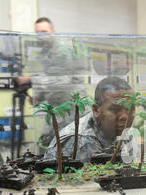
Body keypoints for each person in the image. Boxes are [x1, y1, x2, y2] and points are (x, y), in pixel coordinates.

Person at [15, 17, 88, 150]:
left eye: (44, 32)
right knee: (46, 143)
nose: (41, 36)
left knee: (68, 146)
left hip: (71, 107)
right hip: (56, 106)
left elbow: (64, 80)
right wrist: (40, 97)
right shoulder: (44, 53)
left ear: (53, 31)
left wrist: (31, 79)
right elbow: (49, 78)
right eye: (38, 33)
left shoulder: (62, 49)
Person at [44, 77, 134, 162]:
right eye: (115, 109)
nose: (125, 116)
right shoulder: (81, 139)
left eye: (130, 109)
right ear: (95, 110)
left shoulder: (117, 129)